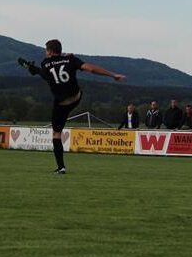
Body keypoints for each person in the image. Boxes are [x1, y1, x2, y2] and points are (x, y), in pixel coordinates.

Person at [18, 39, 126, 174]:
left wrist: (31, 69)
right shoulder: (70, 59)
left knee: (56, 134)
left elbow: (45, 73)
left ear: (50, 51)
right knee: (69, 90)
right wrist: (113, 75)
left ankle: (61, 167)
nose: (45, 53)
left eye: (46, 51)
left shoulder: (45, 63)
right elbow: (91, 69)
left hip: (61, 103)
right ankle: (61, 167)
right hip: (76, 97)